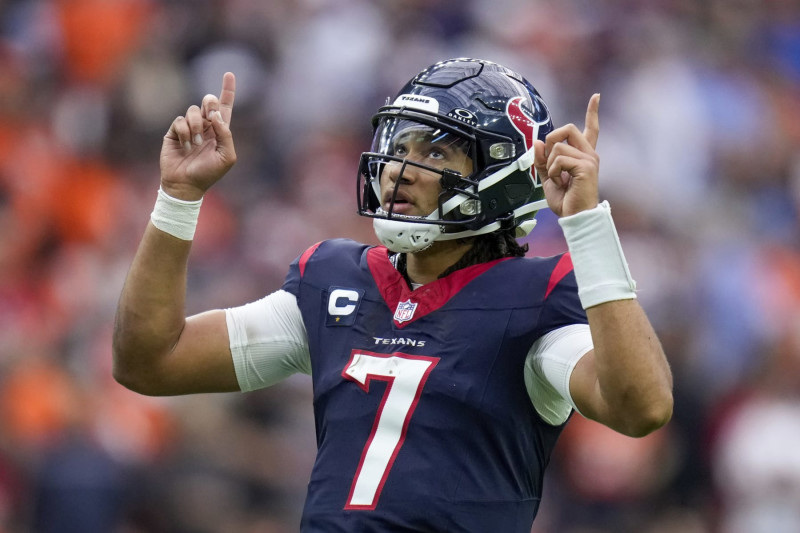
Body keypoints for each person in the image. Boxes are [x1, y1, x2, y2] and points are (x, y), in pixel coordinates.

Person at [113, 58, 673, 532]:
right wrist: (179, 199)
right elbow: (151, 361)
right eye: (399, 145)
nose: (399, 170)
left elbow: (640, 406)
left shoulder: (534, 299)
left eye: (434, 153)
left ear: (500, 176)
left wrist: (588, 227)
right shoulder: (335, 280)